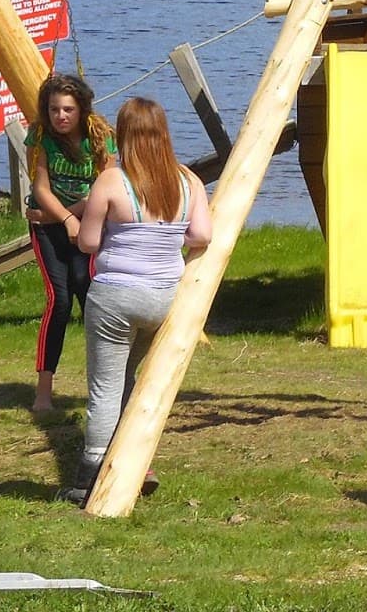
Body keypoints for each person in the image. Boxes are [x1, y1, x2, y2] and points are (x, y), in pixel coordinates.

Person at [62, 97, 212, 506]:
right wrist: (169, 236)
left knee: (105, 388)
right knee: (130, 378)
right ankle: (135, 463)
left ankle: (89, 477)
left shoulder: (111, 181)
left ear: (124, 135)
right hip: (163, 298)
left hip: (115, 297)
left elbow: (88, 242)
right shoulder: (188, 181)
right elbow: (201, 235)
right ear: (164, 133)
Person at [23, 73, 116, 413]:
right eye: (54, 110)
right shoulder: (41, 136)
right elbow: (40, 187)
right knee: (58, 300)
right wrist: (63, 220)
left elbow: (106, 187)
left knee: (88, 292)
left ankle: (106, 385)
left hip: (84, 224)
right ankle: (43, 392)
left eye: (68, 110)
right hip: (51, 228)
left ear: (82, 109)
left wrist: (69, 217)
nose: (60, 117)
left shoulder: (100, 136)